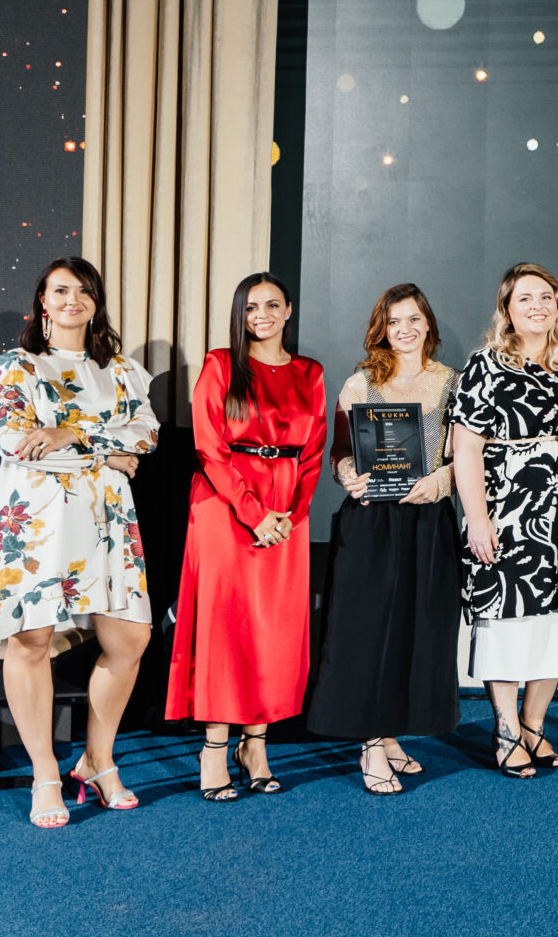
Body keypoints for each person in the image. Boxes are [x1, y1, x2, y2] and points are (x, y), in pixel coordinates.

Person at [0, 258, 159, 827]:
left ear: (96, 302)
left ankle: (96, 760)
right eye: (60, 290)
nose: (72, 299)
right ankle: (45, 774)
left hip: (107, 520)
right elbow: (16, 443)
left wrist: (70, 432)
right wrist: (109, 451)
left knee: (130, 637)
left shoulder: (122, 371)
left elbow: (146, 435)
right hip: (36, 521)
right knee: (31, 640)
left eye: (83, 290)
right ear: (42, 301)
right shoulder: (16, 367)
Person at [166, 272, 328, 802]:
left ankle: (255, 746)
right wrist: (255, 514)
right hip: (225, 504)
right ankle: (214, 748)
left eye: (272, 305)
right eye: (251, 307)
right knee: (225, 627)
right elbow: (209, 448)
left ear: (289, 310)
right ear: (240, 314)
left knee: (273, 630)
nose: (261, 315)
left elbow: (313, 454)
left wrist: (291, 516)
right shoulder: (220, 364)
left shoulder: (310, 372)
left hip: (286, 510)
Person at [305, 283, 462, 794]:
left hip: (427, 522)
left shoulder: (453, 384)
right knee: (367, 632)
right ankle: (371, 743)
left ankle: (390, 732)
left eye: (414, 318)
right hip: (371, 522)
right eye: (395, 321)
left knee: (415, 631)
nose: (405, 329)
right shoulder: (360, 384)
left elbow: (467, 458)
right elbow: (340, 454)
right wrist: (347, 474)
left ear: (428, 324)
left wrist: (440, 483)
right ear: (382, 330)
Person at [452, 263, 558, 779]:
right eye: (525, 299)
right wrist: (477, 519)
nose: (537, 306)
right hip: (508, 511)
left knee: (557, 622)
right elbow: (466, 449)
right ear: (507, 311)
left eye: (545, 297)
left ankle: (534, 725)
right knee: (507, 620)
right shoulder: (486, 365)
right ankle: (506, 729)